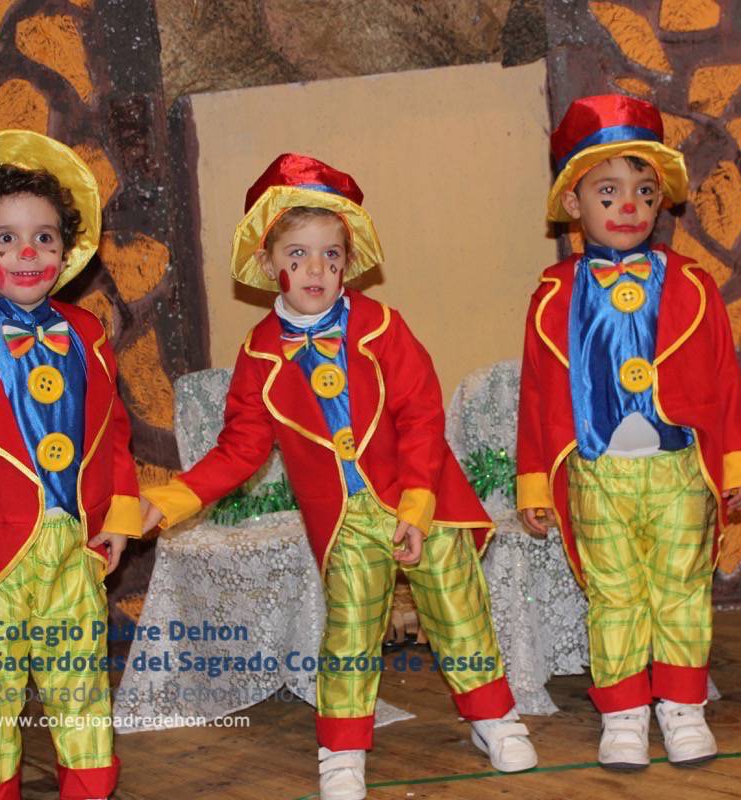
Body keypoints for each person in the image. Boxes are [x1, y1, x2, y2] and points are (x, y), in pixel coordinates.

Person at [140, 153, 537, 800]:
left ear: (348, 262)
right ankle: (343, 748)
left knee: (459, 612)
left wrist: (414, 506)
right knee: (351, 631)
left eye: (331, 254)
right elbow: (240, 448)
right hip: (346, 519)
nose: (316, 269)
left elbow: (420, 418)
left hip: (423, 497)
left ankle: (493, 716)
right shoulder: (260, 355)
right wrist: (175, 497)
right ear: (269, 264)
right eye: (298, 255)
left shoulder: (385, 329)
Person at [515, 95, 741, 770]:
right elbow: (538, 394)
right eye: (608, 190)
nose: (628, 204)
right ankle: (623, 712)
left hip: (679, 466)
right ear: (574, 203)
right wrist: (535, 476)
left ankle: (682, 707)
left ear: (661, 202)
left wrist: (740, 465)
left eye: (644, 191)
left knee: (683, 588)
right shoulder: (552, 294)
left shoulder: (692, 285)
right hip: (597, 471)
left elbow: (721, 380)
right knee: (615, 595)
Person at [0, 130, 144, 798]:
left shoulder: (90, 333)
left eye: (44, 237)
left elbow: (113, 432)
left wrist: (118, 515)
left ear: (67, 252)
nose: (26, 252)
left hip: (73, 550)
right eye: (3, 238)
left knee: (82, 689)